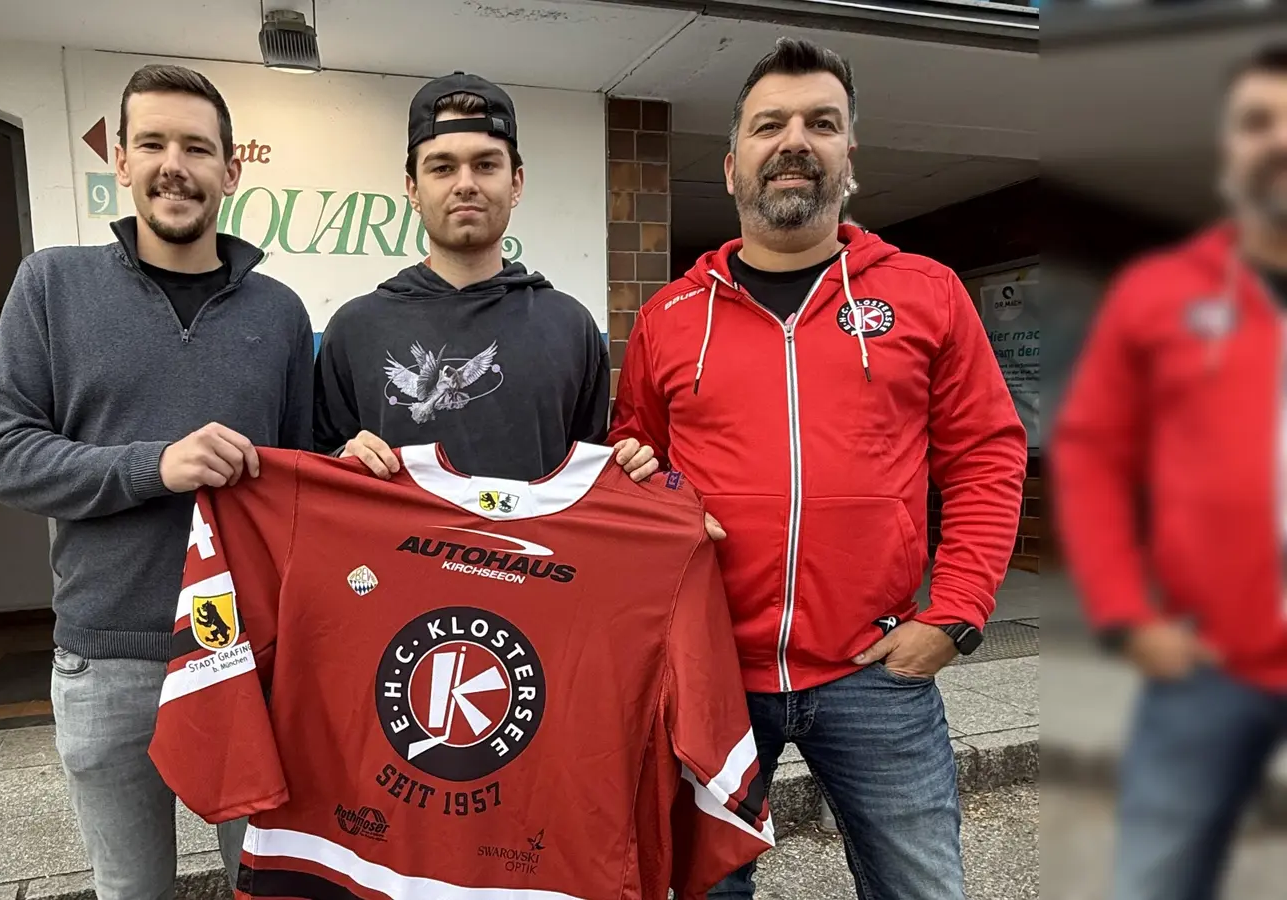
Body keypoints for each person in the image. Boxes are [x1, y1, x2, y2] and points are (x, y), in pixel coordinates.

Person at [608, 38, 1027, 900]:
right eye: (770, 125)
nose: (795, 139)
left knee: (922, 889)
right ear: (732, 167)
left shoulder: (926, 292)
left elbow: (986, 454)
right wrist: (657, 487)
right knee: (701, 891)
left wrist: (955, 613)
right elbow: (636, 468)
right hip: (711, 674)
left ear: (849, 157)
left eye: (821, 123)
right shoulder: (669, 317)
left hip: (875, 670)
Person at [0, 64, 314, 900]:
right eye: (154, 143)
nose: (176, 164)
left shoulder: (280, 314)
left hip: (245, 653)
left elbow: (304, 485)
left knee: (266, 883)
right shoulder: (50, 285)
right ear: (120, 162)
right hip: (106, 663)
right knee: (132, 891)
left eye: (198, 147)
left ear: (231, 172)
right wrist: (150, 466)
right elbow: (5, 455)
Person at [1051, 43, 1287, 900]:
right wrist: (1123, 610)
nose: (1278, 140)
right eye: (1258, 122)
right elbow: (1090, 454)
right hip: (1204, 663)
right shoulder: (1160, 292)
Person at [314, 72, 658, 484]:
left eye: (485, 165)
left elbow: (589, 485)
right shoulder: (356, 330)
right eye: (442, 168)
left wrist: (630, 465)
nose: (465, 184)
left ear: (515, 183)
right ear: (413, 190)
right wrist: (339, 458)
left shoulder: (570, 328)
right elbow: (315, 469)